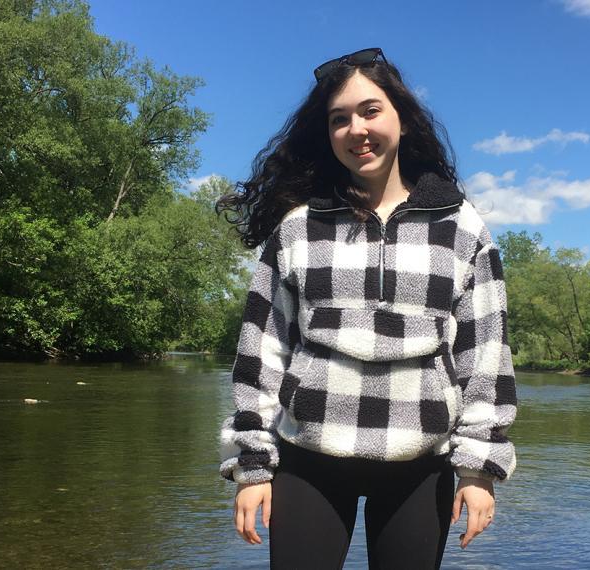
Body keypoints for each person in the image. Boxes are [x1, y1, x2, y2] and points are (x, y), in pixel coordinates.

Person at [217, 47, 517, 570]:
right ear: (327, 133)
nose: (356, 128)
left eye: (370, 110)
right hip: (308, 459)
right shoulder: (296, 227)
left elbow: (485, 354)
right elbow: (262, 350)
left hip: (420, 464)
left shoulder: (463, 228)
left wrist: (477, 470)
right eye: (339, 119)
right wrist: (253, 466)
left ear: (402, 116)